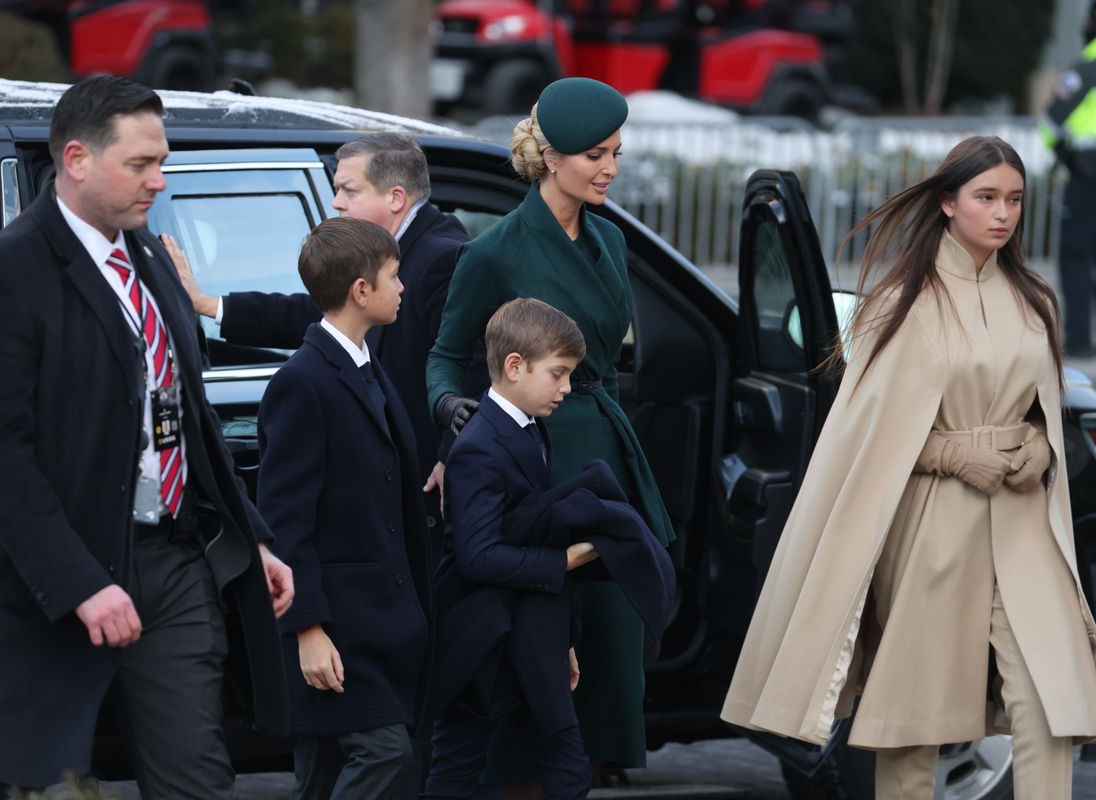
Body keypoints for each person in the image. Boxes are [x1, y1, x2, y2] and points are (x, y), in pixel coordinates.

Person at [0, 75, 294, 800]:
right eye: (141, 164)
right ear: (76, 159)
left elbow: (185, 414)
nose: (160, 180)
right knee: (38, 781)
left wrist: (250, 534)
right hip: (55, 576)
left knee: (196, 778)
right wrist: (81, 584)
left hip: (173, 563)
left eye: (162, 160)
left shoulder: (150, 256)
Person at [721, 136, 1096, 798]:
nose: (1002, 214)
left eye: (1013, 199)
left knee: (1051, 705)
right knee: (916, 724)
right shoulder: (900, 303)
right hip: (932, 526)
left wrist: (1039, 446)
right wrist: (953, 451)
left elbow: (1044, 411)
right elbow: (864, 435)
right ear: (948, 203)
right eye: (986, 198)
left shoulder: (1035, 297)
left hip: (1023, 521)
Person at [426, 77, 676, 792]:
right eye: (595, 154)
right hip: (532, 464)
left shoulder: (612, 239)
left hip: (601, 446)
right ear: (551, 157)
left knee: (608, 635)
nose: (610, 169)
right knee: (532, 648)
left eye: (616, 153)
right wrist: (455, 423)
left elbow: (610, 363)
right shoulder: (494, 251)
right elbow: (445, 357)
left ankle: (585, 769)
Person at [423, 298, 676, 800]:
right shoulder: (476, 447)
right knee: (458, 764)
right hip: (484, 636)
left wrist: (564, 639)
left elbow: (534, 526)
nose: (566, 389)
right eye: (558, 374)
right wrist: (564, 562)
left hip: (534, 629)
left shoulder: (533, 427)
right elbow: (477, 556)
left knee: (564, 757)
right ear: (514, 366)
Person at [165, 132, 472, 529]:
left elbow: (477, 367)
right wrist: (207, 304)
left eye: (348, 190)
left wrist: (451, 456)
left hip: (427, 489)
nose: (335, 203)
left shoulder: (441, 257)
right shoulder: (388, 251)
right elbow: (315, 311)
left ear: (395, 198)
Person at [256, 216, 434, 799]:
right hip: (336, 626)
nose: (403, 287)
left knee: (322, 773)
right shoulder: (302, 382)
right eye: (394, 275)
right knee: (384, 752)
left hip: (379, 619)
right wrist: (306, 625)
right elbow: (285, 519)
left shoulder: (367, 364)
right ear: (362, 290)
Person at [1043, 1, 1096, 357]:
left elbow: (1051, 121)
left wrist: (1062, 154)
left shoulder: (1087, 66)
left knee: (1076, 257)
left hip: (1088, 176)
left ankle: (1079, 340)